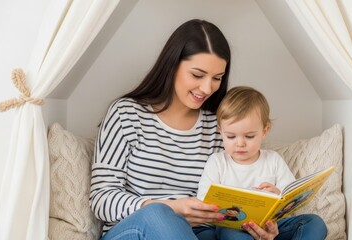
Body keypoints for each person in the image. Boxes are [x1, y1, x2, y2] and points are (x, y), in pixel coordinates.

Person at [89, 19, 279, 240]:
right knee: (158, 214)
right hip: (135, 230)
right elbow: (101, 198)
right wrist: (171, 208)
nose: (207, 88)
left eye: (217, 78)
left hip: (198, 233)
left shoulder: (220, 127)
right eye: (197, 75)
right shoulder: (126, 114)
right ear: (172, 65)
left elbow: (238, 196)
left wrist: (260, 224)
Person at [197, 86, 328, 240]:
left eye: (249, 136)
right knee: (230, 233)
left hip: (272, 229)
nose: (240, 143)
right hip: (233, 228)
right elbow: (203, 200)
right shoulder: (217, 162)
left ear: (264, 131)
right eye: (231, 137)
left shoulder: (273, 160)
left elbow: (291, 199)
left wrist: (278, 194)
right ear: (220, 131)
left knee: (315, 223)